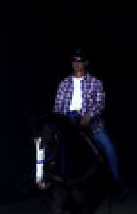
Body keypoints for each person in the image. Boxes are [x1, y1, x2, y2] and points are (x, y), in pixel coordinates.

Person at [52, 51, 126, 200]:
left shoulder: (95, 83)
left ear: (85, 63)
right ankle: (47, 181)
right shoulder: (64, 83)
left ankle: (116, 184)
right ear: (72, 64)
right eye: (75, 62)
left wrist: (89, 115)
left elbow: (100, 103)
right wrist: (59, 118)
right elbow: (58, 105)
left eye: (80, 62)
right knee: (48, 143)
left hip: (90, 121)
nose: (77, 64)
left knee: (109, 148)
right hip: (68, 119)